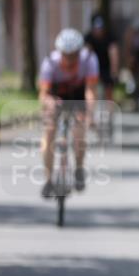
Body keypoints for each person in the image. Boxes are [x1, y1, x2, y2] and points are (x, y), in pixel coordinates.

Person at [38, 28, 99, 198]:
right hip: (56, 97)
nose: (70, 60)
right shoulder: (50, 62)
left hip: (78, 97)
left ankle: (79, 168)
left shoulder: (89, 60)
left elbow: (90, 91)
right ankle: (49, 180)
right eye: (66, 55)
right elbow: (43, 94)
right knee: (49, 132)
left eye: (74, 55)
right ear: (60, 52)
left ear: (80, 52)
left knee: (79, 132)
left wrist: (90, 114)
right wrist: (49, 105)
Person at [84, 13, 119, 101]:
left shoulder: (110, 37)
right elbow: (86, 56)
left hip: (106, 66)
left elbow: (114, 55)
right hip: (93, 66)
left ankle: (110, 110)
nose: (99, 30)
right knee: (91, 89)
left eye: (100, 28)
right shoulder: (88, 37)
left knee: (108, 89)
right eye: (96, 28)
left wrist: (114, 72)